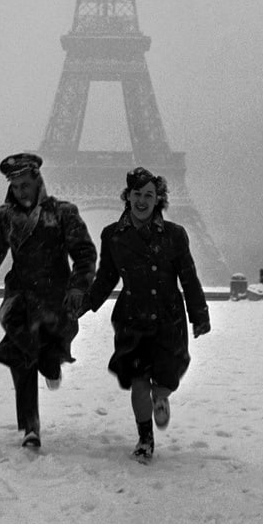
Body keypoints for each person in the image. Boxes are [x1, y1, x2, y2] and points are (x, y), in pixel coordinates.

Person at [0, 152, 96, 449]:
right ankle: (30, 426)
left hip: (54, 298)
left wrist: (78, 288)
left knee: (40, 352)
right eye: (16, 187)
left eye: (25, 185)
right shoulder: (5, 215)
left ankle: (51, 362)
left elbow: (85, 254)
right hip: (22, 297)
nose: (21, 192)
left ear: (38, 182)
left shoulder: (63, 213)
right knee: (20, 355)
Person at [82, 167, 211, 462]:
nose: (142, 201)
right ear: (128, 197)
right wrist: (84, 304)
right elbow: (106, 278)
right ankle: (145, 438)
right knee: (139, 382)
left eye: (149, 195)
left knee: (164, 380)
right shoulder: (113, 235)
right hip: (133, 319)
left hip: (168, 319)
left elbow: (188, 277)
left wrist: (199, 314)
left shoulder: (175, 235)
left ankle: (162, 396)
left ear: (158, 199)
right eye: (137, 194)